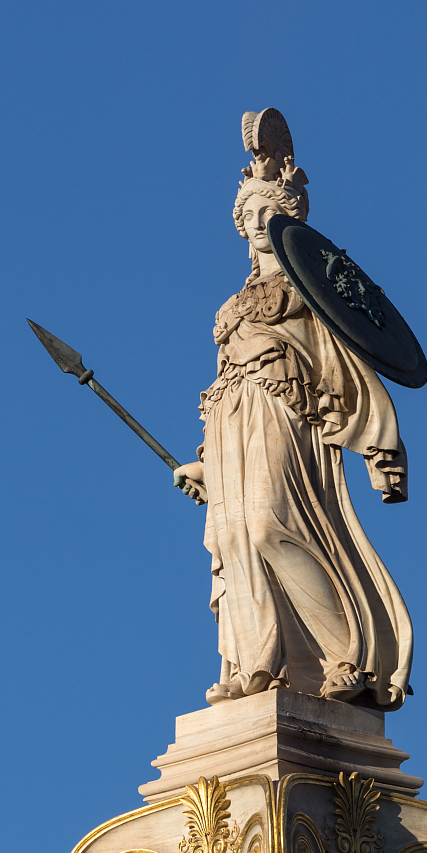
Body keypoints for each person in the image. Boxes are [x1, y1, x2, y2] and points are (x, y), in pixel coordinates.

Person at [174, 111, 412, 710]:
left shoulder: (311, 287)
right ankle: (258, 663)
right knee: (234, 538)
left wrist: (380, 443)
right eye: (248, 216)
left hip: (286, 414)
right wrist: (205, 462)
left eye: (267, 212)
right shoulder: (235, 304)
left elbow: (348, 361)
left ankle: (345, 659)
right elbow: (224, 378)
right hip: (234, 422)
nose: (257, 225)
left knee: (271, 524)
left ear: (287, 214)